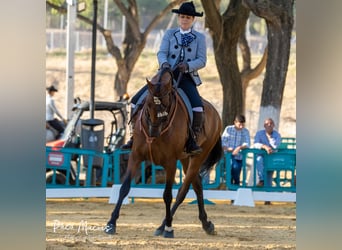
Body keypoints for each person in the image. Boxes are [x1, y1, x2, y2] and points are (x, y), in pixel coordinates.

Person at [121, 1, 206, 155]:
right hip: (166, 75)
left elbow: (202, 60)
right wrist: (165, 63)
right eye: (182, 17)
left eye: (187, 17)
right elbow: (161, 52)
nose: (184, 20)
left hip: (186, 76)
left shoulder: (199, 38)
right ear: (178, 18)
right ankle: (134, 136)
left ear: (193, 19)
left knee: (197, 106)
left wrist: (187, 65)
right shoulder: (169, 34)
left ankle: (192, 140)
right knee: (135, 101)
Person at [221, 115, 250, 185]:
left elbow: (247, 143)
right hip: (228, 155)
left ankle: (235, 185)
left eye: (243, 124)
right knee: (232, 166)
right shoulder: (228, 129)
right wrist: (227, 148)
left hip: (239, 156)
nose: (241, 126)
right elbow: (223, 141)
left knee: (237, 171)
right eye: (240, 124)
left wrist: (239, 147)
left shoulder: (245, 131)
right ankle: (230, 184)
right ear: (235, 122)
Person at [253, 118, 282, 188]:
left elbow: (276, 146)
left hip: (272, 157)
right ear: (264, 125)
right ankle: (261, 180)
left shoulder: (277, 135)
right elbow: (256, 144)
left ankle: (268, 193)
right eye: (267, 124)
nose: (269, 125)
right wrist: (264, 146)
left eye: (271, 123)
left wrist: (270, 139)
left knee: (269, 175)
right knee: (259, 160)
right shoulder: (259, 133)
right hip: (261, 156)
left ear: (274, 125)